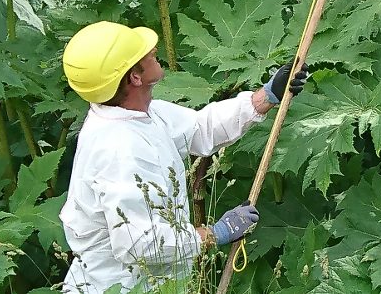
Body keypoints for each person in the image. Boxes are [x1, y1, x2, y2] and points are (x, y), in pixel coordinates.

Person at [57, 20, 309, 293]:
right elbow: (142, 243)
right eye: (143, 52)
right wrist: (215, 234)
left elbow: (200, 128)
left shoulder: (137, 114)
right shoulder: (120, 150)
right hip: (124, 287)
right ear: (135, 77)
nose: (153, 48)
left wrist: (265, 97)